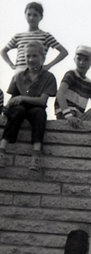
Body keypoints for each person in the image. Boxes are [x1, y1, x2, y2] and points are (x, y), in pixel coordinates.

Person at [0, 41, 57, 170]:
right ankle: (2, 148)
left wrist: (22, 98)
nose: (30, 60)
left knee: (39, 113)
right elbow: (13, 98)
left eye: (34, 56)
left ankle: (36, 155)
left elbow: (42, 101)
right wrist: (7, 107)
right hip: (19, 107)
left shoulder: (49, 77)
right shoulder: (18, 76)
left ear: (42, 58)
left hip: (35, 107)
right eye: (28, 56)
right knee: (17, 111)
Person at [1, 2, 68, 71]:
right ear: (25, 16)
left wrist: (49, 65)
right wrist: (11, 64)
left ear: (41, 17)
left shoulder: (45, 36)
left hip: (37, 72)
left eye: (35, 15)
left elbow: (64, 52)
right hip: (20, 72)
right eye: (29, 15)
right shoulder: (18, 36)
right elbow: (3, 51)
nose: (31, 18)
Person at [55, 45, 91, 128]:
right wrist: (69, 115)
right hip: (66, 111)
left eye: (86, 59)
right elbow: (60, 93)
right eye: (79, 59)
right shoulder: (71, 74)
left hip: (78, 113)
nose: (82, 63)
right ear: (74, 59)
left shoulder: (89, 83)